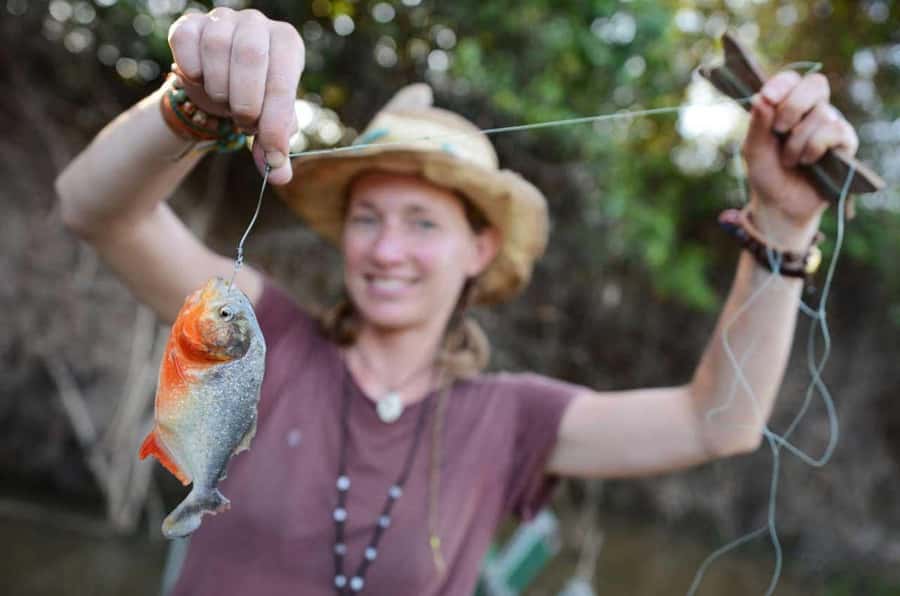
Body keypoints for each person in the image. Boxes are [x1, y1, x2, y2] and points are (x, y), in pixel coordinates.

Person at [55, 7, 860, 596]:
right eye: (366, 218)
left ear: (479, 249)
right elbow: (96, 209)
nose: (387, 248)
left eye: (422, 223)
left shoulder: (512, 418)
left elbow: (717, 422)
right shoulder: (266, 341)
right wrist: (186, 106)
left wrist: (783, 228)